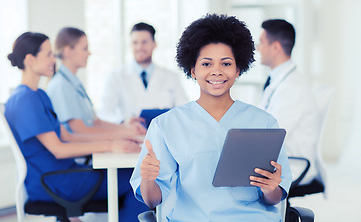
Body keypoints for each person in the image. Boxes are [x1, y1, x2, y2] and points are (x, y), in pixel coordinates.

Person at [130, 14, 292, 221]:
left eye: (226, 64)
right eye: (206, 64)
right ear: (193, 70)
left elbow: (275, 198)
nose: (216, 71)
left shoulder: (264, 123)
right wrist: (148, 179)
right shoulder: (166, 125)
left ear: (238, 69)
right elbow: (152, 201)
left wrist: (271, 189)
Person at [4, 32, 149, 221]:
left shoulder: (38, 94)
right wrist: (110, 146)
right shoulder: (25, 100)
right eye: (48, 54)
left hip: (63, 175)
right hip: (55, 181)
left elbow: (68, 136)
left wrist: (116, 139)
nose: (53, 59)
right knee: (139, 180)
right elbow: (58, 149)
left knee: (135, 175)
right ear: (30, 59)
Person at [46, 27, 146, 138]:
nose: (89, 53)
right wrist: (125, 133)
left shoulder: (74, 83)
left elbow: (94, 122)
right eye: (85, 49)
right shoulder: (61, 85)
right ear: (68, 51)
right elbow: (79, 130)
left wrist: (126, 127)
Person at [257, 19, 320, 185]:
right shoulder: (278, 80)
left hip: (294, 165)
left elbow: (271, 134)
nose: (258, 48)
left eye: (261, 42)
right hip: (279, 160)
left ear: (276, 47)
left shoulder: (293, 87)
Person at [98, 22, 189, 123]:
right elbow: (104, 113)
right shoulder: (116, 77)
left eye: (144, 42)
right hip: (131, 135)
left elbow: (184, 111)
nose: (139, 47)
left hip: (164, 135)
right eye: (135, 43)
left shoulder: (171, 77)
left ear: (154, 44)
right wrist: (123, 121)